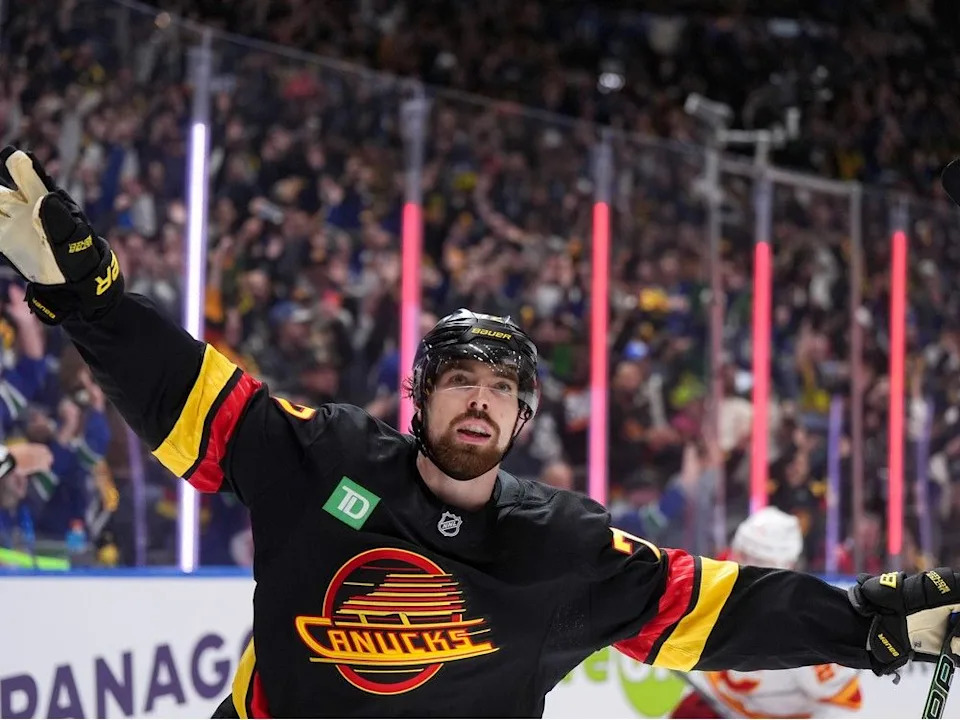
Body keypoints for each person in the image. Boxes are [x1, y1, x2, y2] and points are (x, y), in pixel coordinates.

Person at [1, 145, 959, 718]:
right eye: (459, 379)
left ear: (522, 417)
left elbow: (711, 608)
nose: (479, 400)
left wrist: (865, 624)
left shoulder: (561, 544)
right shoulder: (323, 458)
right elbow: (186, 395)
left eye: (500, 389)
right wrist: (87, 302)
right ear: (421, 399)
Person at [672, 507, 862, 718]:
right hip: (722, 703)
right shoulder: (717, 583)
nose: (743, 565)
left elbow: (843, 706)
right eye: (741, 554)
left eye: (757, 560)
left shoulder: (808, 627)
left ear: (786, 567)